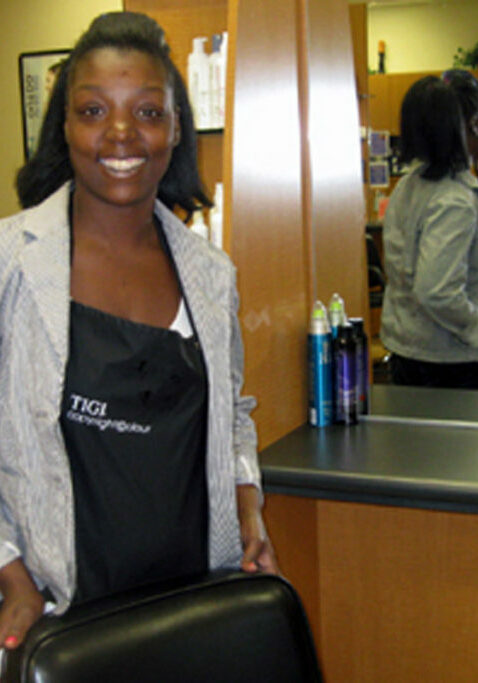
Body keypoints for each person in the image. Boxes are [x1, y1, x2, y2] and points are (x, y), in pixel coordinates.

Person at [0, 11, 278, 655]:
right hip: (61, 616)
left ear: (176, 127)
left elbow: (232, 412)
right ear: (64, 126)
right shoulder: (13, 265)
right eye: (94, 112)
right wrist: (11, 574)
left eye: (148, 113)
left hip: (194, 607)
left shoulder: (210, 273)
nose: (121, 134)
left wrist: (248, 502)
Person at [380, 74, 478, 388]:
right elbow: (436, 290)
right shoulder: (454, 200)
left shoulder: (408, 186)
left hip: (408, 349)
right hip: (451, 360)